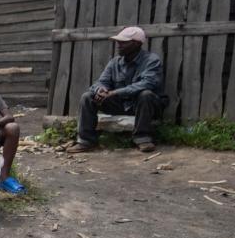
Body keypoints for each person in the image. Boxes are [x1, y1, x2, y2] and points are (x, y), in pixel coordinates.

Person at [67, 26, 166, 154]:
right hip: (121, 104)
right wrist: (101, 89)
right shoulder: (114, 62)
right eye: (118, 42)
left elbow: (148, 83)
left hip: (144, 105)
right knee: (88, 97)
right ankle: (86, 141)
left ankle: (143, 139)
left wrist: (114, 92)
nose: (118, 45)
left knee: (145, 94)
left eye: (123, 42)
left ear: (137, 44)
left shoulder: (151, 60)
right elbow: (101, 81)